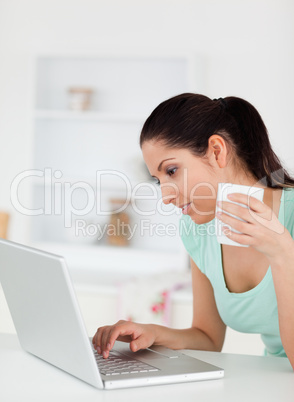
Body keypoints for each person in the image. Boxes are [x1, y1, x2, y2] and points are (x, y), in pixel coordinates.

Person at [92, 93, 294, 369]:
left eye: (172, 171)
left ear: (216, 151)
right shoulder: (198, 230)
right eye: (158, 180)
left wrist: (283, 252)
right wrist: (153, 333)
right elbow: (208, 337)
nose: (165, 196)